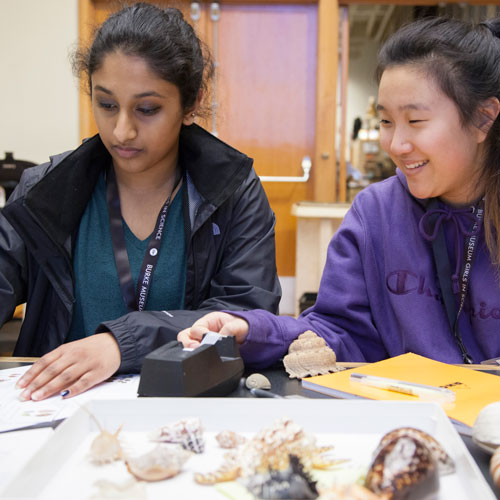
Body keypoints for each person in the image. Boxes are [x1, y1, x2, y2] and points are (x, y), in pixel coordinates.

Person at [179, 16, 500, 368]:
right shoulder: (375, 212)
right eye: (387, 122)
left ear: (483, 119)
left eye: (416, 122)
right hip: (406, 417)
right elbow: (338, 331)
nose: (396, 144)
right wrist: (250, 331)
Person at [9, 3, 280, 400]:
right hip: (57, 411)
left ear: (191, 104)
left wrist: (122, 343)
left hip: (183, 408)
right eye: (106, 104)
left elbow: (244, 314)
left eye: (147, 109)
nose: (122, 130)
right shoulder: (43, 191)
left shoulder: (234, 192)